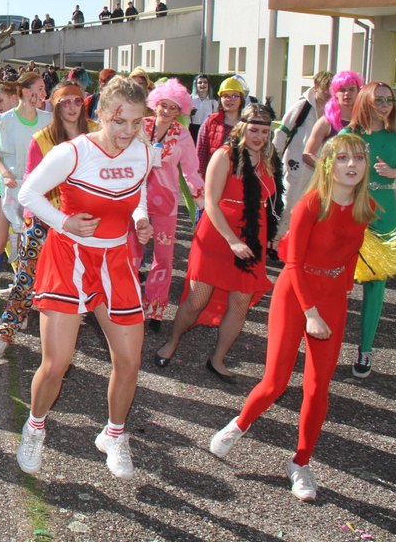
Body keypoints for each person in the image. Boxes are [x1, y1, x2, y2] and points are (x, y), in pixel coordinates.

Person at [209, 135, 372, 502]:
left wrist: (340, 292)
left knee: (318, 388)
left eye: (359, 158)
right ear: (329, 165)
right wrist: (311, 312)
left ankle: (300, 463)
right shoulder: (312, 203)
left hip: (330, 299)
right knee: (276, 381)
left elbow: (350, 257)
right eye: (343, 158)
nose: (352, 165)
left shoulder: (366, 207)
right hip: (295, 294)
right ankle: (239, 424)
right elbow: (293, 263)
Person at [15, 77, 153, 479]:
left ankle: (114, 434)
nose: (128, 132)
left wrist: (140, 219)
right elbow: (28, 193)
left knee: (129, 361)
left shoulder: (143, 151)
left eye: (136, 122)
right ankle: (35, 427)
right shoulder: (73, 152)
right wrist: (65, 221)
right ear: (102, 116)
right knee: (57, 362)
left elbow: (138, 188)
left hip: (115, 259)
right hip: (69, 256)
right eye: (120, 122)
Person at [155, 104, 280, 381]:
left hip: (251, 237)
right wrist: (232, 240)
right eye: (254, 129)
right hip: (217, 234)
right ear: (242, 128)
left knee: (240, 302)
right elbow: (210, 203)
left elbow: (271, 202)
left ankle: (218, 359)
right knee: (197, 300)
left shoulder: (269, 159)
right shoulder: (225, 156)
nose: (259, 136)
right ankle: (172, 342)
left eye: (265, 131)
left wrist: (273, 235)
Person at [0, 81, 97, 356]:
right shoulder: (43, 138)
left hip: (84, 222)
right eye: (65, 102)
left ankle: (67, 344)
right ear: (55, 105)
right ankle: (5, 331)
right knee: (26, 279)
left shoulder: (96, 134)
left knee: (85, 283)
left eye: (77, 101)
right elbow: (31, 187)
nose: (72, 107)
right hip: (44, 219)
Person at [127, 80, 203, 331]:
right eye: (163, 105)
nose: (167, 111)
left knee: (163, 258)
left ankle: (155, 310)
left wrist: (202, 200)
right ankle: (128, 303)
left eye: (173, 107)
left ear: (180, 110)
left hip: (167, 203)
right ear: (155, 104)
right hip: (136, 199)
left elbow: (191, 170)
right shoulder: (140, 127)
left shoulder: (182, 135)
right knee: (132, 252)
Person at [0, 72, 49, 321]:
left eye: (43, 89)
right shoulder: (4, 120)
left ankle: (23, 299)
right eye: (37, 89)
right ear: (23, 91)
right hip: (4, 186)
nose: (41, 94)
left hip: (34, 191)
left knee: (27, 247)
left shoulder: (48, 121)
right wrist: (5, 171)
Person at [341, 82, 396, 378]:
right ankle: (320, 341)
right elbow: (328, 171)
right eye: (379, 99)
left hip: (386, 219)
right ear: (365, 101)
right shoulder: (348, 136)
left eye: (389, 99)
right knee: (336, 281)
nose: (385, 104)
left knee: (376, 288)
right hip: (350, 217)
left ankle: (365, 349)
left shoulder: (395, 136)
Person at [273, 71, 332, 237]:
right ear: (316, 87)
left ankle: (298, 239)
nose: (329, 93)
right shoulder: (303, 106)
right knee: (290, 200)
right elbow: (282, 131)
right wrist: (274, 157)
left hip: (319, 164)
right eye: (325, 89)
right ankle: (278, 239)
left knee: (311, 204)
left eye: (331, 90)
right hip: (296, 161)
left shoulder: (333, 110)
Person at [302, 71, 362, 169]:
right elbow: (307, 154)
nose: (347, 94)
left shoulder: (365, 120)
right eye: (342, 90)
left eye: (351, 89)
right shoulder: (326, 122)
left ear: (358, 92)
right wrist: (329, 169)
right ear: (335, 93)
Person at [197, 77, 246, 175]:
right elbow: (200, 153)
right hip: (214, 177)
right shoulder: (210, 122)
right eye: (225, 95)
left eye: (235, 96)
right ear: (220, 99)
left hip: (239, 178)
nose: (230, 99)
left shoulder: (248, 124)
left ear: (241, 99)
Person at [189, 75, 218, 139]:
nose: (203, 84)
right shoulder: (189, 100)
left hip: (207, 132)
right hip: (191, 132)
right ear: (196, 85)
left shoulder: (214, 103)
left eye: (205, 82)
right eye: (200, 82)